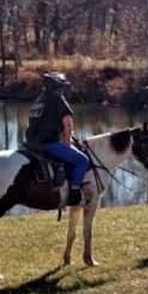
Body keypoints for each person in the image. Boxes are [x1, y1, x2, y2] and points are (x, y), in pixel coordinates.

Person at [25, 71, 93, 206]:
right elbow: (67, 122)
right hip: (48, 143)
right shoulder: (58, 99)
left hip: (32, 143)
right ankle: (74, 193)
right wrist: (67, 142)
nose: (63, 89)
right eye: (62, 86)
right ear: (58, 87)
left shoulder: (39, 100)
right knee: (82, 160)